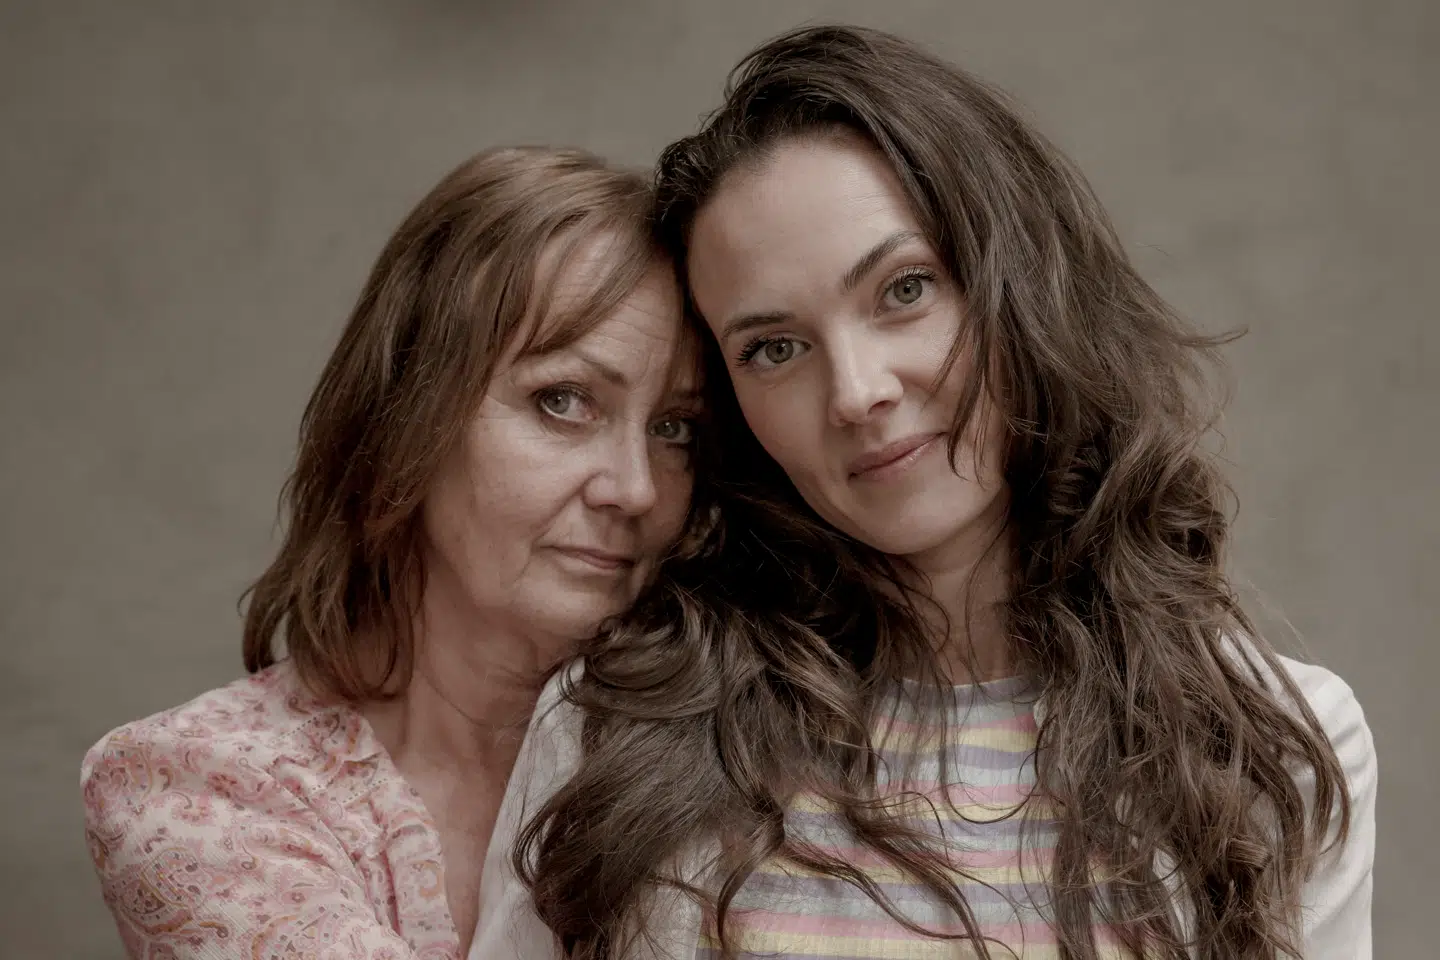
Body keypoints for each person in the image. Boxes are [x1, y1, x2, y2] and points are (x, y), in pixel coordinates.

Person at [474, 25, 1376, 960]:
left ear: (1019, 281)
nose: (856, 392)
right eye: (774, 348)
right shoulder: (613, 725)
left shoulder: (1275, 750)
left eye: (904, 290)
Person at [81, 146, 705, 959]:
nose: (636, 488)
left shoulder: (741, 762)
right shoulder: (194, 785)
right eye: (562, 400)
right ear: (411, 410)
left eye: (674, 429)